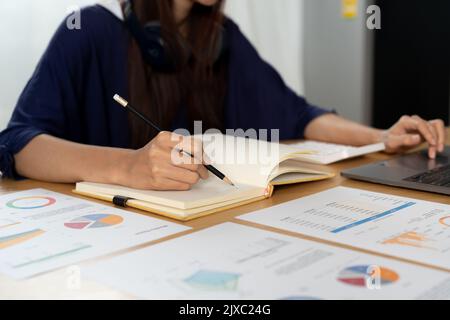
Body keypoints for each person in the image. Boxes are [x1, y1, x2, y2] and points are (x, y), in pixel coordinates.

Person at [0, 0, 446, 191]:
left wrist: (380, 137)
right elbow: (18, 144)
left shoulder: (220, 41)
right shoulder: (90, 30)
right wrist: (128, 166)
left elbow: (297, 114)